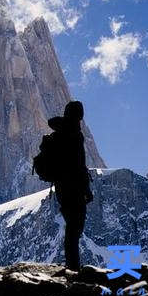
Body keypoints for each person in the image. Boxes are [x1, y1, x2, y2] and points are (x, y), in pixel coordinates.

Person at [48, 100, 93, 271]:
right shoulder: (74, 134)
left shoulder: (59, 131)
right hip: (73, 187)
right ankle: (73, 267)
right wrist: (86, 189)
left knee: (72, 225)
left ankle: (72, 264)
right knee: (75, 226)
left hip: (61, 187)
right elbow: (79, 165)